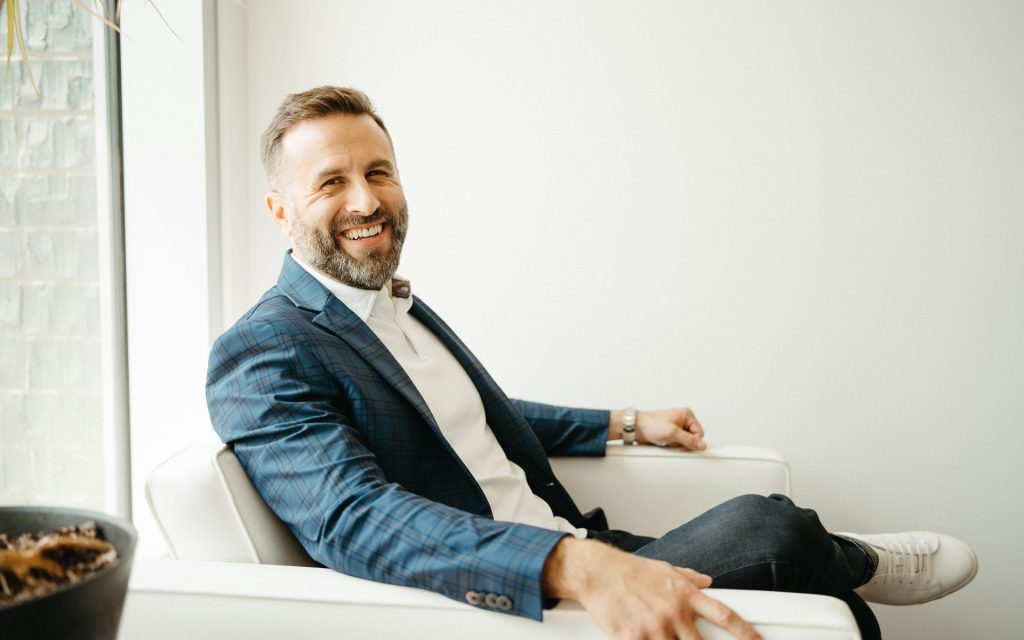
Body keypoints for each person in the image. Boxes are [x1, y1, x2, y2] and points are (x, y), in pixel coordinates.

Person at [206, 86, 977, 640]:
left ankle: (849, 571)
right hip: (517, 588)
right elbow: (353, 517)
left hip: (570, 538)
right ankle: (864, 559)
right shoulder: (263, 348)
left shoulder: (384, 306)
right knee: (767, 529)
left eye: (378, 172)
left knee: (815, 586)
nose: (366, 201)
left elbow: (474, 417)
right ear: (280, 210)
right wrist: (575, 568)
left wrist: (627, 423)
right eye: (330, 182)